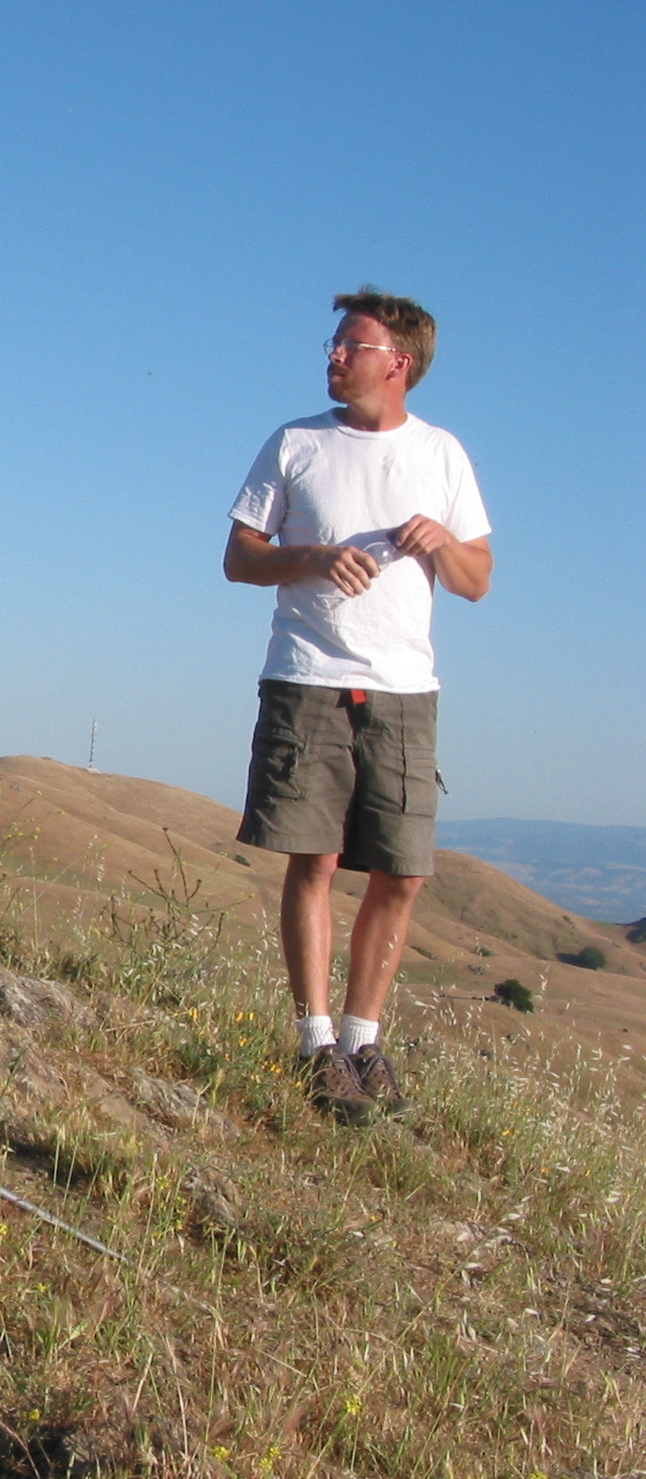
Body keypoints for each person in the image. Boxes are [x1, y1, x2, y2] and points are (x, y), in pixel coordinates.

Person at [223, 288, 492, 1125]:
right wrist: (306, 557)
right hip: (306, 675)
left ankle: (363, 1038)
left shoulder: (442, 454)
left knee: (403, 873)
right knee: (316, 860)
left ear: (398, 363)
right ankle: (315, 1045)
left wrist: (442, 541)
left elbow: (478, 580)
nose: (334, 357)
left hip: (406, 690)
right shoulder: (296, 442)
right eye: (336, 345)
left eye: (352, 345)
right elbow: (239, 557)